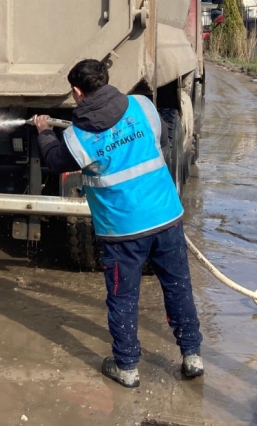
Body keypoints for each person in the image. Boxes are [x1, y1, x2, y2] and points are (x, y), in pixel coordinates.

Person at [33, 59, 203, 388]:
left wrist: (44, 132)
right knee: (178, 287)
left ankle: (126, 367)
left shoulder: (77, 137)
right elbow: (162, 140)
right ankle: (192, 356)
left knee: (123, 298)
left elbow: (54, 161)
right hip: (165, 216)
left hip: (122, 230)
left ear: (77, 92)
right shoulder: (142, 106)